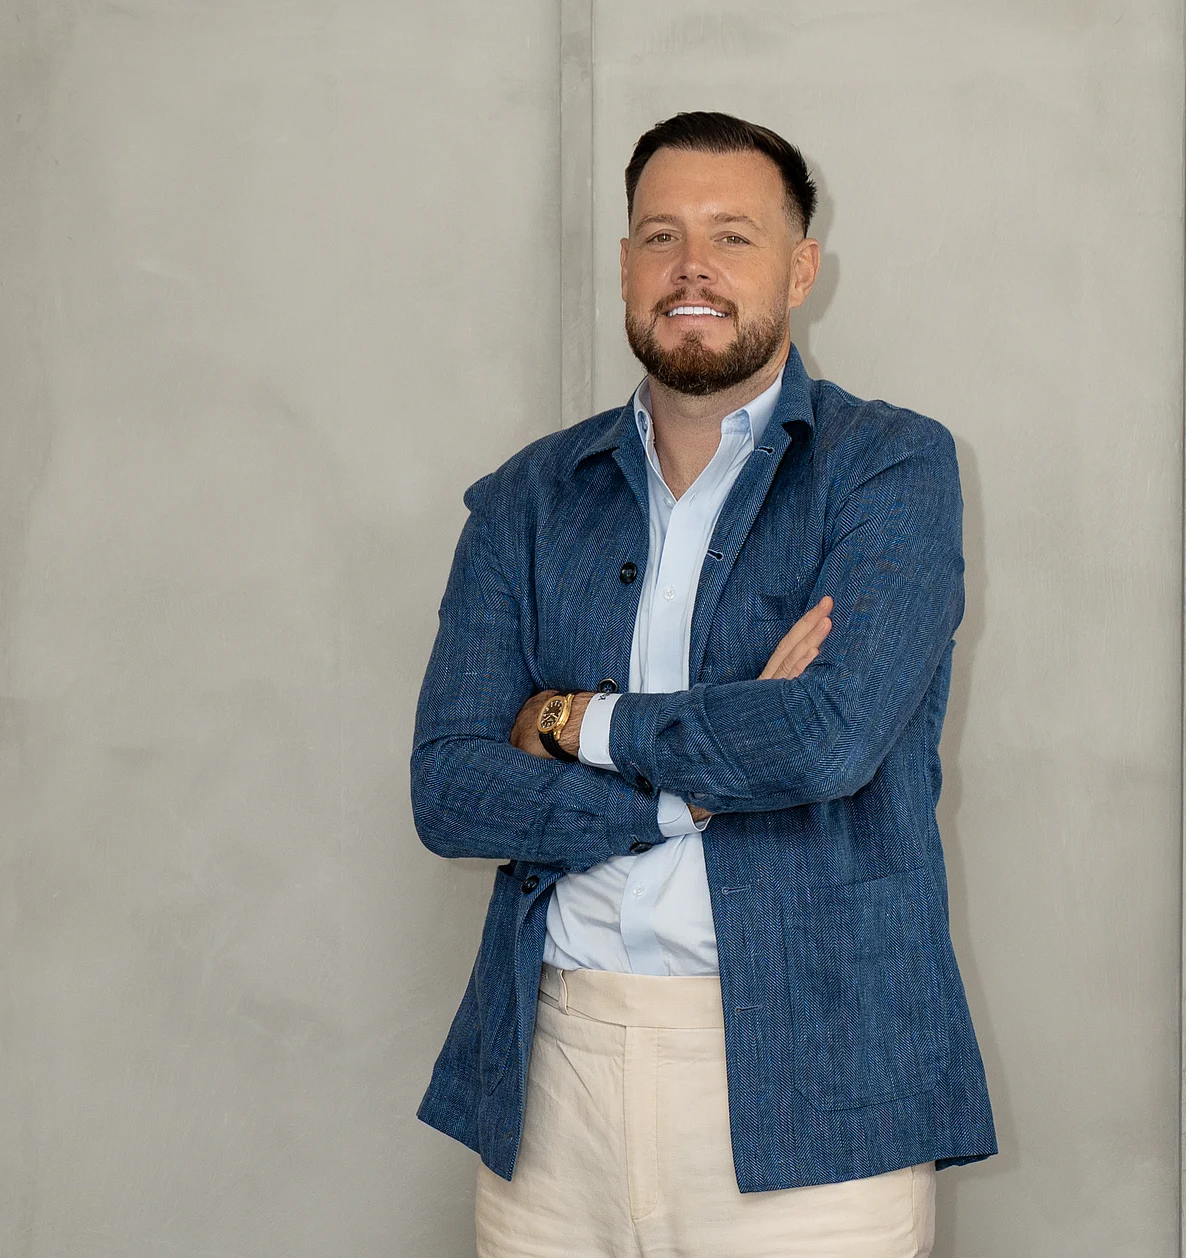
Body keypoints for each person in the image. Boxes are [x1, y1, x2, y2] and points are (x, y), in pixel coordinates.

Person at [410, 110, 996, 1258]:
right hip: (553, 1084)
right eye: (661, 235)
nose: (692, 266)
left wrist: (575, 720)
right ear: (626, 264)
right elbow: (450, 789)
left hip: (822, 1088)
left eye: (734, 236)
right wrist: (704, 779)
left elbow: (828, 739)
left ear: (801, 269)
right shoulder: (528, 497)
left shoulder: (890, 466)